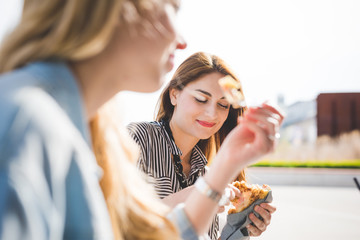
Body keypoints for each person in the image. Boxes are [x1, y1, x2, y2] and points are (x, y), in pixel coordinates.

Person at [128, 52, 284, 239]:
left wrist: (239, 228)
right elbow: (119, 221)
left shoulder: (206, 173)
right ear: (174, 94)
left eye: (223, 105)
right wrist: (198, 195)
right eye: (201, 99)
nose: (212, 114)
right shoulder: (139, 138)